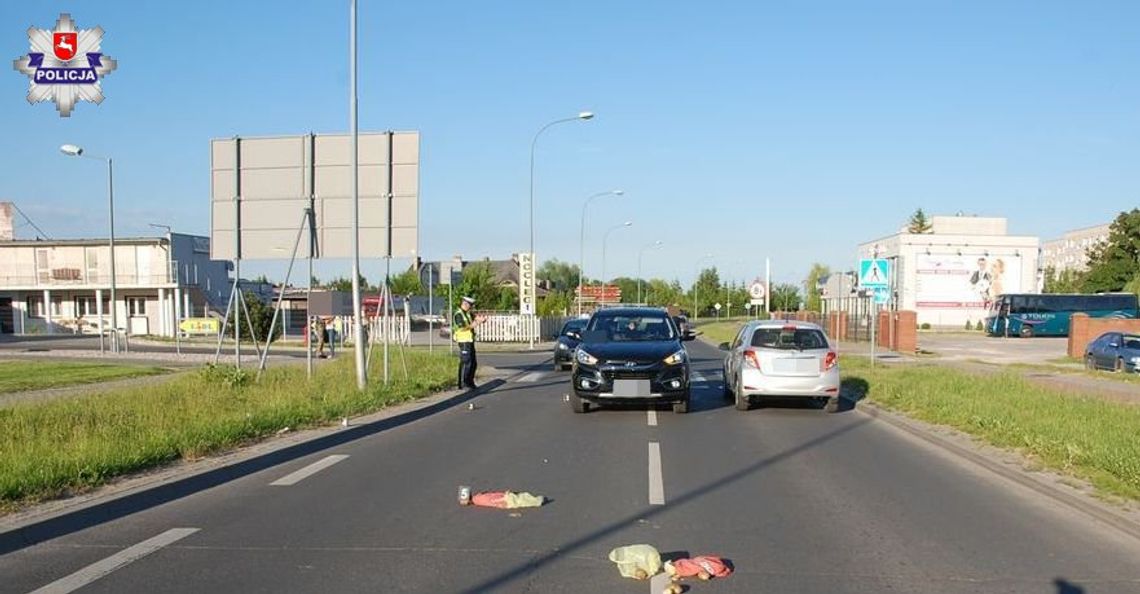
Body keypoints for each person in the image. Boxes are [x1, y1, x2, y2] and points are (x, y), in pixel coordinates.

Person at [453, 296, 485, 389]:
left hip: (470, 340)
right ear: (465, 304)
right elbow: (462, 327)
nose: (470, 307)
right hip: (463, 341)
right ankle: (463, 383)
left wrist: (481, 320)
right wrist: (473, 325)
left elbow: (475, 319)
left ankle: (470, 382)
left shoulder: (467, 313)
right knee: (466, 362)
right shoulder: (458, 314)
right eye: (470, 305)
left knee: (473, 363)